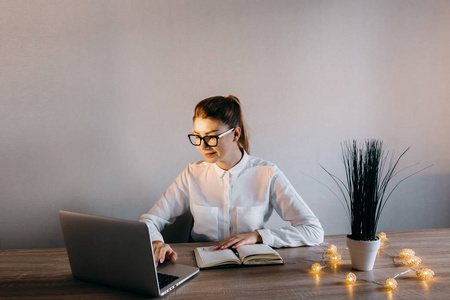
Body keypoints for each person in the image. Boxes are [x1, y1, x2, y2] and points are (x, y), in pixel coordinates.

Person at [140, 95, 324, 266]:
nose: (203, 146)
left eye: (211, 137)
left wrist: (258, 236)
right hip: (201, 266)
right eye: (198, 136)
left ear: (235, 134)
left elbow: (313, 231)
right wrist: (156, 242)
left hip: (253, 267)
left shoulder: (267, 173)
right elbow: (150, 219)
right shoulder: (192, 174)